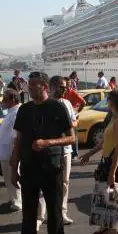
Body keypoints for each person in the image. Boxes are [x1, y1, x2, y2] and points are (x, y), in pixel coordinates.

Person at [10, 72, 74, 234]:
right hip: (29, 168)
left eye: (34, 85)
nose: (29, 88)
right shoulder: (24, 110)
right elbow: (19, 141)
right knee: (28, 213)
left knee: (54, 212)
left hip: (52, 168)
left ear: (44, 87)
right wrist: (14, 169)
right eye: (29, 84)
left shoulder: (57, 107)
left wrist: (48, 142)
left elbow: (71, 138)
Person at [92, 89, 118, 234]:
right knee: (104, 197)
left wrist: (112, 173)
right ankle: (106, 226)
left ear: (113, 102)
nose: (107, 102)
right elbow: (104, 142)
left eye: (108, 99)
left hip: (116, 163)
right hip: (107, 161)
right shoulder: (113, 118)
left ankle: (115, 230)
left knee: (115, 199)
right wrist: (89, 153)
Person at [49, 76, 77, 225]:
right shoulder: (47, 104)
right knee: (46, 184)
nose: (65, 90)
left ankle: (62, 212)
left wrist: (69, 124)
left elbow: (74, 121)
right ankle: (42, 215)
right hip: (50, 150)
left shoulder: (67, 103)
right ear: (52, 87)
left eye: (65, 87)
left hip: (66, 149)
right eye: (61, 87)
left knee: (65, 182)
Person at [0, 89, 23, 211]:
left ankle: (17, 202)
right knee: (8, 178)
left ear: (12, 100)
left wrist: (14, 155)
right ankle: (12, 199)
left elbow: (16, 136)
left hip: (10, 153)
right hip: (5, 153)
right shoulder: (11, 112)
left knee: (13, 178)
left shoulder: (16, 113)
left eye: (5, 99)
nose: (2, 101)